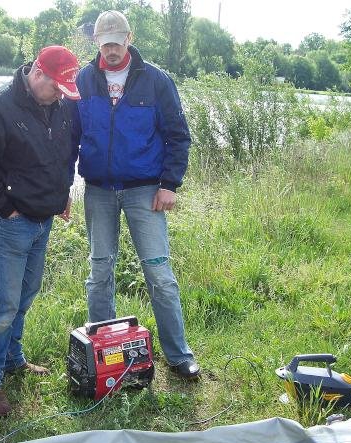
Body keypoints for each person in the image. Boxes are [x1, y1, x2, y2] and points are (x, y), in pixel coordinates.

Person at [70, 10, 200, 379]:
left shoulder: (156, 80)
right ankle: (103, 352)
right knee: (99, 270)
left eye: (116, 42)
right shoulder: (83, 79)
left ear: (129, 38)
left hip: (145, 190)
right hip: (98, 190)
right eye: (104, 44)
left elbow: (178, 136)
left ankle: (178, 354)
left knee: (159, 272)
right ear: (96, 42)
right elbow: (69, 137)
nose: (110, 50)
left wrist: (169, 184)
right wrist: (61, 186)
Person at [0, 46, 80, 416]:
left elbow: (65, 154)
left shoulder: (60, 106)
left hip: (44, 219)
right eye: (56, 87)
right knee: (3, 302)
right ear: (37, 72)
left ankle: (12, 358)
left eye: (65, 90)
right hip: (10, 223)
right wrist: (5, 208)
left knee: (26, 295)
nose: (60, 95)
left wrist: (63, 193)